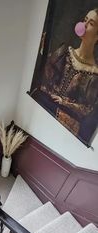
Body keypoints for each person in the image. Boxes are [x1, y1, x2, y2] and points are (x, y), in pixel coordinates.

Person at [32, 8, 98, 144]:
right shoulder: (64, 52)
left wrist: (64, 102)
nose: (84, 26)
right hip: (42, 109)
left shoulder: (94, 74)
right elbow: (44, 77)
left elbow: (87, 108)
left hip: (65, 129)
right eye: (84, 20)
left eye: (91, 23)